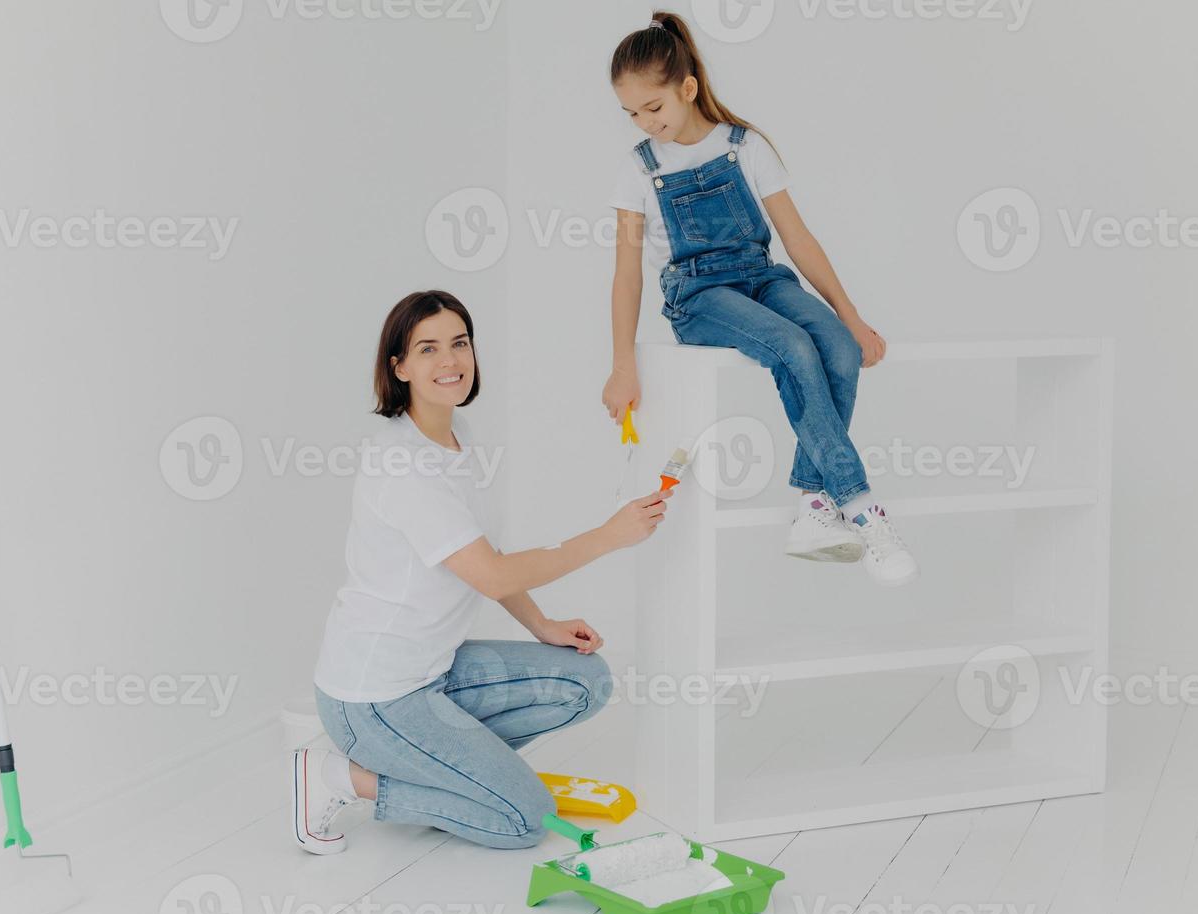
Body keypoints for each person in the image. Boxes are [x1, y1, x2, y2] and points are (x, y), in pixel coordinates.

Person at [296, 289, 672, 853]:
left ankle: (455, 777)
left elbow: (483, 555)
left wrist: (541, 625)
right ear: (398, 367)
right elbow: (493, 575)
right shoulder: (403, 466)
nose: (450, 361)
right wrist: (609, 536)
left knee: (584, 681)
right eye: (428, 349)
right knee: (525, 821)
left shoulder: (454, 436)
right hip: (375, 698)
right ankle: (337, 777)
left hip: (435, 673)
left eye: (459, 343)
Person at [602, 11, 919, 587]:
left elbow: (798, 240)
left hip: (762, 277)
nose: (645, 123)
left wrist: (853, 319)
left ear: (687, 88)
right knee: (791, 346)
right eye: (632, 113)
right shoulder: (637, 170)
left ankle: (810, 505)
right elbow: (628, 274)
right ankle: (859, 503)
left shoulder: (745, 147)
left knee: (839, 351)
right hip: (697, 296)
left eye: (655, 108)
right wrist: (622, 365)